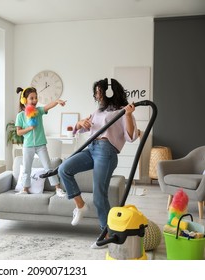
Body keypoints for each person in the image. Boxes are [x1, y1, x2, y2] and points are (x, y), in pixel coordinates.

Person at [58, 78, 138, 249]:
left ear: (109, 92)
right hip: (91, 148)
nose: (96, 96)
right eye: (96, 93)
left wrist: (129, 115)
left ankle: (106, 234)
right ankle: (80, 206)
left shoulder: (124, 111)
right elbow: (80, 129)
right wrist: (79, 124)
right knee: (64, 169)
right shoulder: (97, 112)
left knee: (99, 196)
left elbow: (131, 137)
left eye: (99, 92)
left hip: (106, 152)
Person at [15, 86, 67, 197]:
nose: (35, 100)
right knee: (26, 168)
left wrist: (57, 102)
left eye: (36, 98)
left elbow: (48, 106)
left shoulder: (38, 111)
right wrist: (29, 128)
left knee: (48, 167)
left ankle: (58, 188)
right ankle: (25, 189)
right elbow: (19, 132)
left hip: (41, 145)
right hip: (28, 146)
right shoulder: (20, 116)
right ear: (24, 100)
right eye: (31, 98)